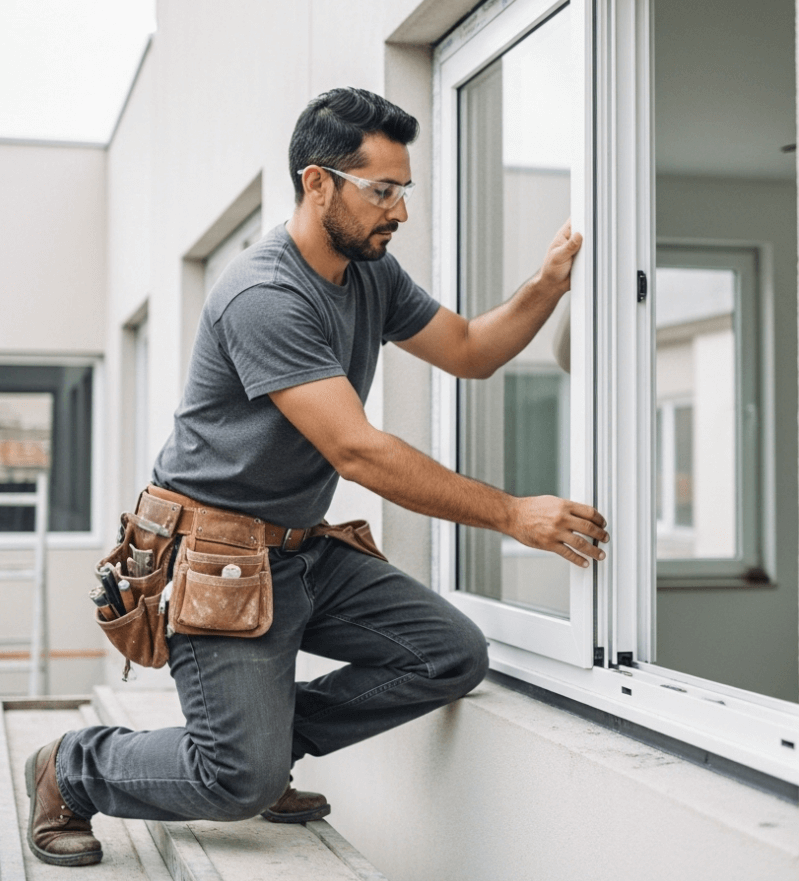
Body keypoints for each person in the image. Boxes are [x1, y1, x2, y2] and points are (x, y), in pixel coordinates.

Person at [26, 87, 608, 867]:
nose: (400, 211)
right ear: (317, 183)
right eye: (382, 190)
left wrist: (548, 283)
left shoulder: (370, 273)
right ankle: (73, 765)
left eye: (403, 190)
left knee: (447, 655)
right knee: (236, 780)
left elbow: (469, 350)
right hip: (221, 561)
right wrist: (510, 514)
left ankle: (262, 744)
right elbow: (357, 452)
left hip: (303, 550)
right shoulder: (265, 294)